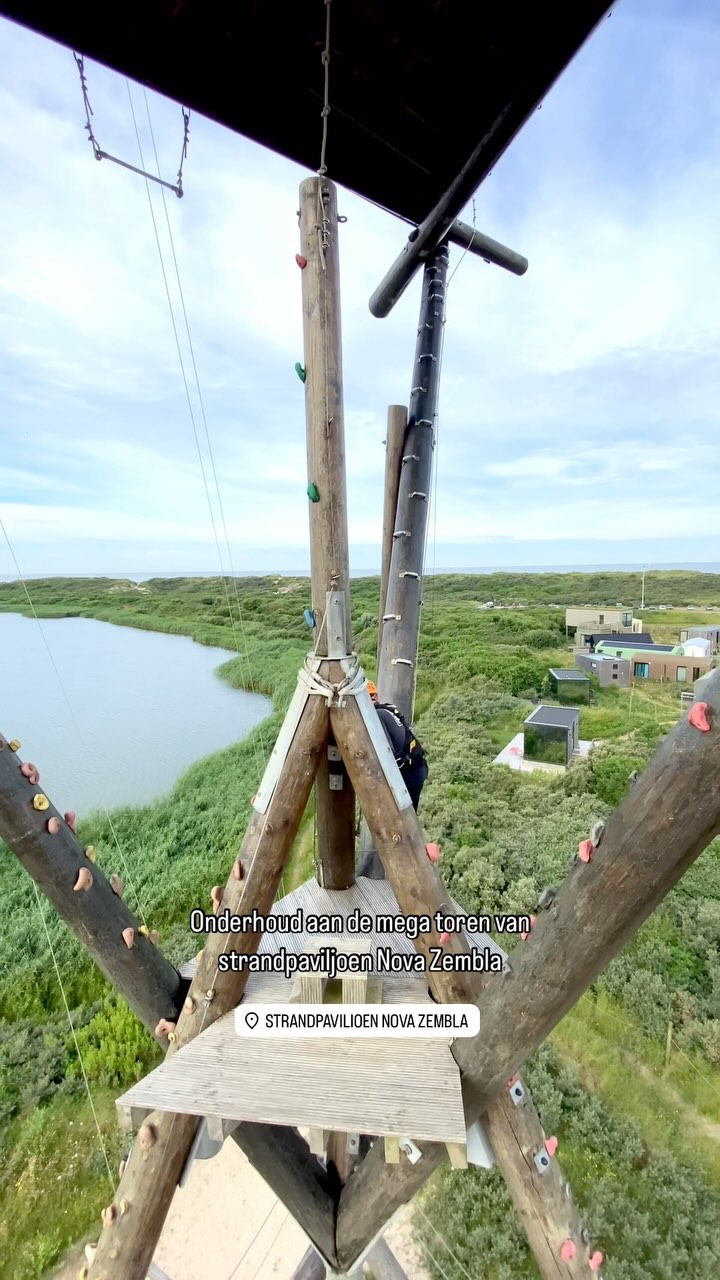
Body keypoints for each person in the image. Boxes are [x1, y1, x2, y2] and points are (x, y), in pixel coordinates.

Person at [367, 681, 429, 811]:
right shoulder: (387, 709)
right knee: (408, 813)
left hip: (409, 770)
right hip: (416, 764)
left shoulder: (377, 716)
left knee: (402, 815)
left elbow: (387, 752)